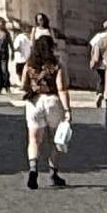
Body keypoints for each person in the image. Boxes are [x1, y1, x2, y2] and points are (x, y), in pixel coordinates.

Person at [21, 32, 75, 190]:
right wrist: (67, 110)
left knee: (33, 139)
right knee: (54, 139)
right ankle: (53, 172)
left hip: (34, 102)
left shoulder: (29, 64)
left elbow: (23, 84)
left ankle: (33, 169)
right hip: (52, 101)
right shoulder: (57, 64)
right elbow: (62, 88)